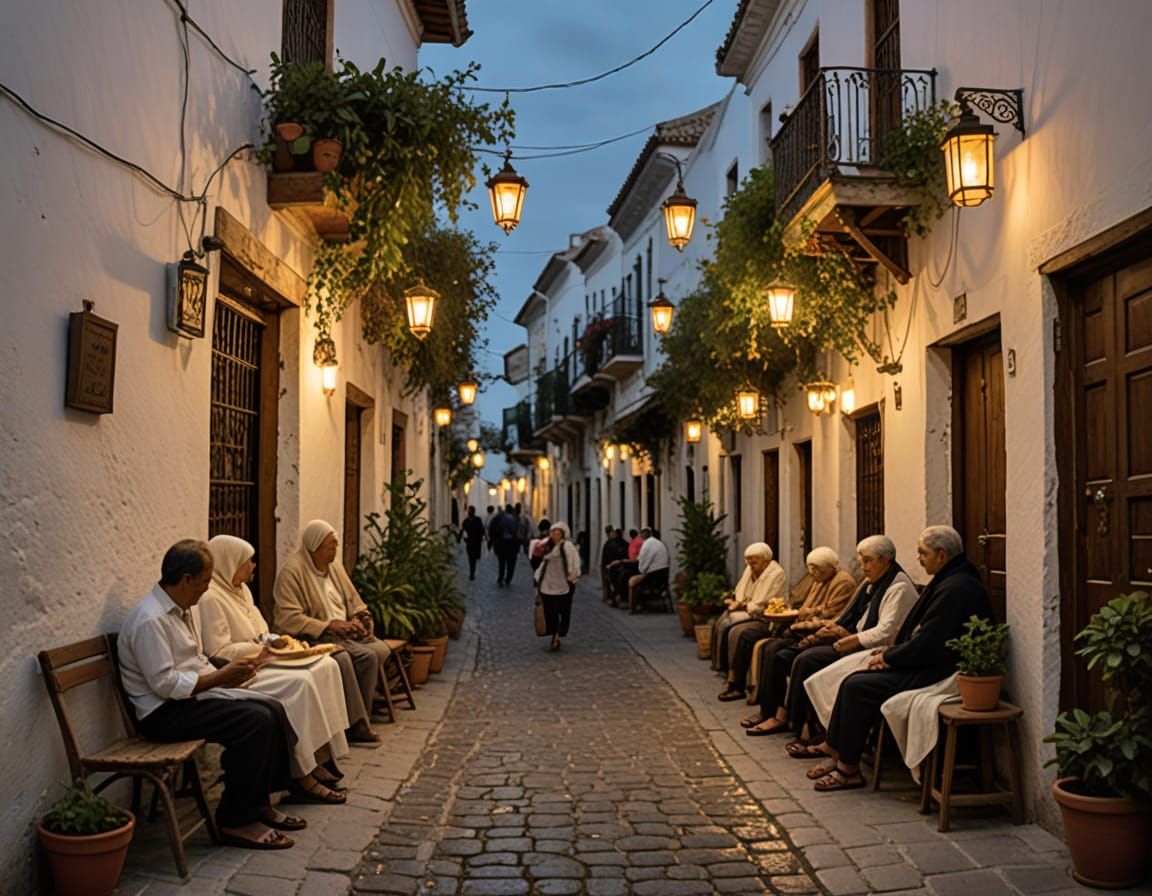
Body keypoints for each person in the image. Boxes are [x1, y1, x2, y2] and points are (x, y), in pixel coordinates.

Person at [118, 539, 297, 850]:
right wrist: (220, 678)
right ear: (186, 579)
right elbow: (166, 686)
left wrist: (232, 671)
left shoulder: (178, 608)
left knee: (272, 708)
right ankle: (236, 820)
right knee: (254, 722)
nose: (205, 590)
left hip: (186, 700)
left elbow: (193, 660)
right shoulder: (151, 619)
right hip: (162, 715)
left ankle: (260, 802)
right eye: (203, 582)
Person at [805, 526, 993, 791]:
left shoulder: (956, 588)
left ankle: (848, 769)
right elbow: (924, 637)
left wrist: (891, 657)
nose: (918, 559)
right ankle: (838, 754)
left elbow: (931, 643)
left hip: (940, 673)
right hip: (927, 662)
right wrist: (891, 654)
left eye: (922, 553)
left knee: (857, 686)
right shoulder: (950, 578)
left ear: (941, 555)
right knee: (854, 679)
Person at [197, 535, 349, 803]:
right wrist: (260, 650)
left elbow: (261, 630)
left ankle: (317, 758)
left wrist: (275, 642)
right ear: (230, 563)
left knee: (326, 666)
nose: (253, 566)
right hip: (243, 669)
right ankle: (300, 773)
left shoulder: (241, 590)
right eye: (247, 561)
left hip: (265, 657)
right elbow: (219, 652)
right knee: (301, 683)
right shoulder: (211, 598)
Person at [743, 534, 917, 742]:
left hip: (868, 648)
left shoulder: (898, 586)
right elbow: (847, 616)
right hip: (847, 636)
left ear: (886, 560)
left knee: (805, 659)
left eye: (868, 560)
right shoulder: (872, 581)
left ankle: (804, 726)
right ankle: (774, 713)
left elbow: (885, 631)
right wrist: (832, 629)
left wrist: (845, 637)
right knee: (777, 652)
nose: (862, 566)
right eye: (861, 560)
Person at [273, 520, 392, 741]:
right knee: (364, 657)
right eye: (330, 546)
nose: (334, 550)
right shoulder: (293, 572)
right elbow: (287, 619)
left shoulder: (334, 567)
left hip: (345, 631)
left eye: (335, 545)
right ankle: (358, 722)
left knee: (381, 649)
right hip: (314, 636)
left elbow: (353, 599)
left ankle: (356, 712)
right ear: (314, 547)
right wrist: (328, 625)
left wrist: (360, 617)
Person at [727, 546, 855, 709]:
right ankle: (763, 706)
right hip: (802, 628)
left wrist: (800, 618)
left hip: (818, 633)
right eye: (812, 569)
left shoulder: (843, 582)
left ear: (830, 566)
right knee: (765, 646)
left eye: (817, 570)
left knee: (773, 651)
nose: (813, 574)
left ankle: (774, 711)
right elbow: (808, 609)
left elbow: (828, 613)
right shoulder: (821, 579)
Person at [711, 543, 787, 678]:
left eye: (754, 558)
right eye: (748, 558)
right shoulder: (750, 569)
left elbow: (761, 603)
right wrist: (738, 603)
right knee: (721, 623)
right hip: (749, 611)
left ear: (765, 560)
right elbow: (741, 593)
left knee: (735, 631)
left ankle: (734, 674)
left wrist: (742, 605)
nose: (750, 562)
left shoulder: (776, 573)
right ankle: (722, 666)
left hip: (766, 617)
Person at [533, 521, 582, 651]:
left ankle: (557, 635)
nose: (555, 535)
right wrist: (537, 576)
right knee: (551, 612)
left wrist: (575, 574)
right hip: (547, 585)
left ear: (563, 534)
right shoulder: (548, 546)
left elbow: (575, 562)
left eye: (558, 533)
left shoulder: (568, 547)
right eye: (553, 533)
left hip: (564, 585)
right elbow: (543, 564)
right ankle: (554, 633)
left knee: (562, 611)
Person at [628, 527, 671, 612]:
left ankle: (633, 608)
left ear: (641, 536)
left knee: (632, 581)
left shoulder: (647, 545)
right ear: (650, 534)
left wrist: (641, 572)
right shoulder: (659, 542)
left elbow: (642, 566)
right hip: (664, 574)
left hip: (654, 576)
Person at [488, 504, 520, 586]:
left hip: (501, 543)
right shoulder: (516, 518)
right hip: (513, 544)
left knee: (501, 562)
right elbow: (520, 532)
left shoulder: (499, 517)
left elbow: (492, 529)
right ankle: (508, 579)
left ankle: (501, 578)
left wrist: (492, 541)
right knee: (511, 563)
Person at [599, 527, 628, 602]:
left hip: (610, 565)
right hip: (613, 566)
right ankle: (609, 597)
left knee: (608, 581)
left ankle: (607, 597)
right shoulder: (621, 543)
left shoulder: (609, 543)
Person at [460, 505, 486, 581]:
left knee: (472, 558)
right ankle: (472, 573)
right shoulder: (472, 520)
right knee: (472, 558)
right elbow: (464, 531)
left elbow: (481, 531)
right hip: (473, 543)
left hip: (474, 543)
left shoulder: (468, 521)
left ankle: (472, 573)